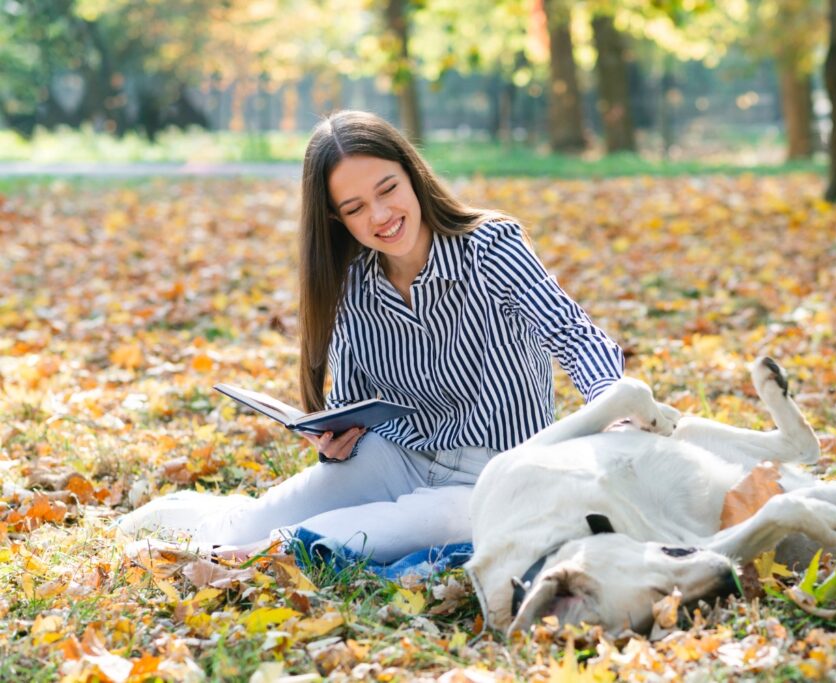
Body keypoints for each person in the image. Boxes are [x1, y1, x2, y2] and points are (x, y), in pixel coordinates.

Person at [117, 110, 624, 562]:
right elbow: (353, 405)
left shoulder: (491, 247)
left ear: (412, 175)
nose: (380, 216)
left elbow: (574, 335)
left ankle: (264, 552)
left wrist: (616, 407)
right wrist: (334, 439)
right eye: (356, 208)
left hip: (492, 473)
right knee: (244, 522)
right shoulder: (351, 283)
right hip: (393, 459)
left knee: (427, 526)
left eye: (388, 189)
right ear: (337, 218)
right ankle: (215, 526)